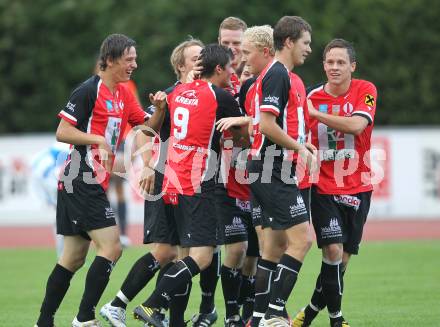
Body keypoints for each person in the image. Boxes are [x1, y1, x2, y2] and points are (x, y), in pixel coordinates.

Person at [34, 33, 166, 327]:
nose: (135, 64)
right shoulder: (88, 91)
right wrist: (97, 139)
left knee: (72, 258)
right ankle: (84, 318)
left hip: (87, 181)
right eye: (129, 58)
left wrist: (159, 110)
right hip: (80, 176)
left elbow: (146, 129)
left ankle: (43, 321)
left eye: (135, 58)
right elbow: (63, 131)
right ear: (110, 60)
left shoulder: (123, 94)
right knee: (112, 248)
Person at [132, 44, 244, 327]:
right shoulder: (221, 97)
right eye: (230, 67)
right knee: (203, 257)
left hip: (172, 180)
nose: (233, 73)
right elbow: (246, 139)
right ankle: (152, 304)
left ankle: (172, 319)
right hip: (199, 183)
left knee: (183, 254)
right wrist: (247, 120)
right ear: (218, 69)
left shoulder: (177, 93)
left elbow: (151, 127)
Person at [99, 37, 204, 327]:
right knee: (167, 251)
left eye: (203, 57)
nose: (201, 61)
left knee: (181, 254)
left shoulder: (206, 94)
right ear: (180, 65)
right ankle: (117, 304)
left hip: (189, 183)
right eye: (195, 57)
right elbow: (144, 132)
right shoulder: (169, 96)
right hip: (164, 180)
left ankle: (172, 319)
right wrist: (146, 166)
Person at [292, 38, 377, 327]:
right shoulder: (311, 96)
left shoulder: (366, 90)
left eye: (341, 62)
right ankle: (337, 320)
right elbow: (299, 136)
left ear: (352, 66)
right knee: (332, 250)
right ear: (323, 65)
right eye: (330, 62)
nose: (335, 67)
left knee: (341, 263)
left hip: (360, 185)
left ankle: (309, 313)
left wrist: (317, 115)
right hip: (324, 186)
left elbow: (357, 125)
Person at [247, 16, 316, 327]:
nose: (309, 50)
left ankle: (260, 317)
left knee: (274, 247)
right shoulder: (278, 74)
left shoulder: (279, 73)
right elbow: (266, 125)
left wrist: (302, 144)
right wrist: (299, 148)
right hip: (271, 167)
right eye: (305, 43)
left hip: (267, 166)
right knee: (302, 241)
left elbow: (276, 125)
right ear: (288, 42)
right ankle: (276, 313)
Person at [216, 24, 276, 325]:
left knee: (254, 255)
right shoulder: (216, 84)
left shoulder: (261, 80)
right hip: (226, 180)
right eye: (225, 42)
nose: (232, 48)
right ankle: (229, 314)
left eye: (237, 42)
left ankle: (254, 312)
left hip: (257, 178)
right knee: (235, 250)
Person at [30, 142, 70, 258]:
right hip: (51, 183)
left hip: (48, 183)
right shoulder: (62, 152)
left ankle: (65, 255)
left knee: (63, 218)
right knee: (64, 218)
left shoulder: (47, 154)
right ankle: (65, 256)